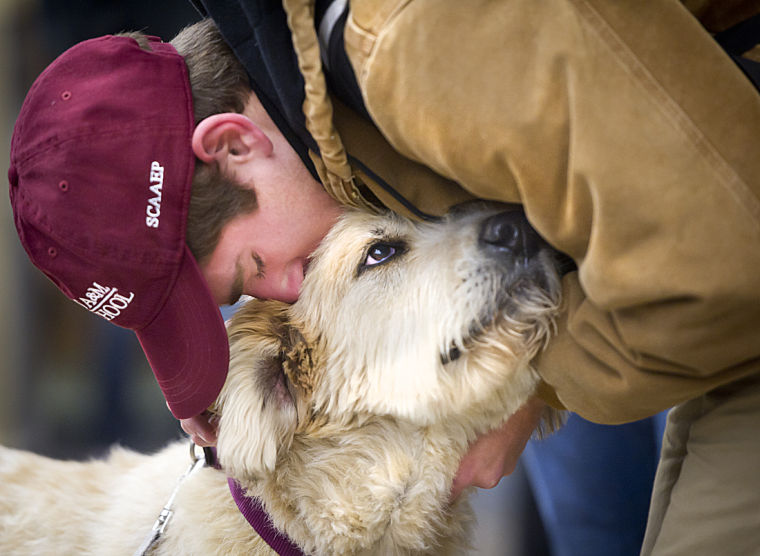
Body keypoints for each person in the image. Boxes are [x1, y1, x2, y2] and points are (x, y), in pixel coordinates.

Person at [8, 1, 760, 553]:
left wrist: (537, 386)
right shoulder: (328, 110)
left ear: (234, 145)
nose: (284, 296)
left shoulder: (413, 41)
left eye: (250, 271)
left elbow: (726, 267)